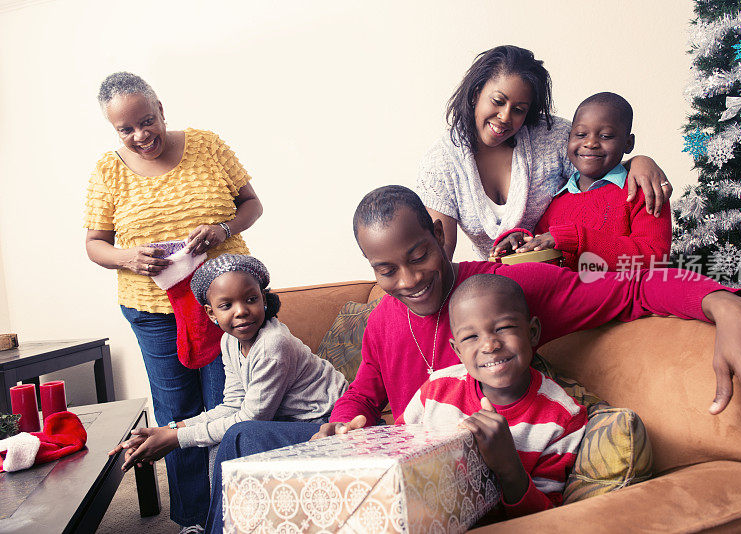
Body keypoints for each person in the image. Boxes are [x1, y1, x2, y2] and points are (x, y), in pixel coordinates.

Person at [205, 186, 741, 534]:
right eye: (387, 270)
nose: (409, 280)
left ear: (441, 238)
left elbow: (632, 290)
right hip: (390, 456)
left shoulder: (501, 295)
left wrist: (733, 308)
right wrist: (349, 417)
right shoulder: (385, 315)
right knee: (240, 443)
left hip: (470, 478)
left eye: (418, 256)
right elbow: (365, 386)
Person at [84, 72, 263, 532]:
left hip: (221, 307)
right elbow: (95, 245)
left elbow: (251, 205)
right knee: (175, 412)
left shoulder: (206, 145)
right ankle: (190, 519)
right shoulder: (108, 169)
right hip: (151, 311)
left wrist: (223, 229)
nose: (141, 135)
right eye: (127, 129)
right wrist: (128, 257)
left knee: (227, 405)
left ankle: (235, 514)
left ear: (161, 108)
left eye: (147, 121)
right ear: (114, 130)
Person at [415, 45, 673, 260]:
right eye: (497, 101)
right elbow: (440, 255)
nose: (505, 117)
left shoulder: (552, 136)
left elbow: (602, 168)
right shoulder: (441, 163)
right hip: (501, 285)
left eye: (519, 109)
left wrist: (639, 161)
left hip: (567, 268)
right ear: (475, 95)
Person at [108, 254, 348, 471]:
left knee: (233, 438)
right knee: (221, 440)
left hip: (327, 421)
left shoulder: (273, 344)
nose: (241, 311)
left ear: (263, 299)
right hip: (290, 420)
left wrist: (176, 439)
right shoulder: (229, 342)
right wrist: (170, 429)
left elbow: (251, 421)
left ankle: (225, 519)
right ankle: (223, 519)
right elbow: (232, 405)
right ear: (211, 313)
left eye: (251, 299)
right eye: (226, 305)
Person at [398, 274, 588, 518]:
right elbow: (396, 452)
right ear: (457, 350)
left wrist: (508, 465)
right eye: (471, 337)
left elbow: (545, 519)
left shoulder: (562, 418)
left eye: (503, 328)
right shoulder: (435, 390)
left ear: (532, 332)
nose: (489, 345)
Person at [492, 92, 672, 271]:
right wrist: (521, 242)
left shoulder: (644, 189)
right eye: (580, 134)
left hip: (620, 297)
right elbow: (545, 246)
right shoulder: (558, 198)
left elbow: (654, 258)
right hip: (565, 296)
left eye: (606, 136)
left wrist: (576, 238)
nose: (591, 143)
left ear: (628, 143)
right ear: (569, 138)